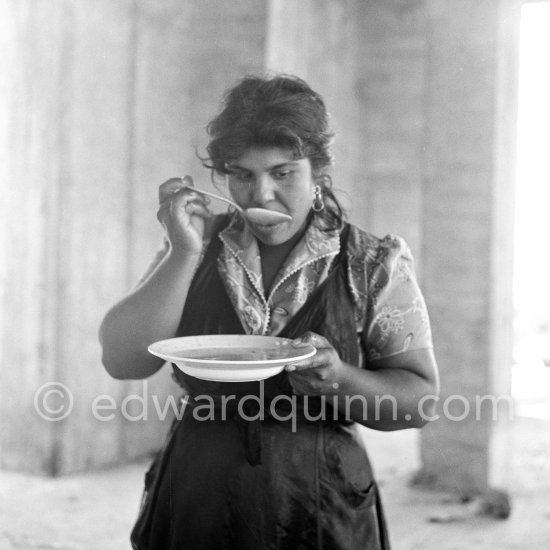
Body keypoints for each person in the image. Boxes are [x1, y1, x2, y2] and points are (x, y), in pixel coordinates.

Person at [99, 74, 439, 550]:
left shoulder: (371, 263)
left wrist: (338, 378)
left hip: (321, 508)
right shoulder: (197, 245)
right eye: (242, 174)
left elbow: (420, 401)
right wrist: (182, 253)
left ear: (318, 171)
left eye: (283, 173)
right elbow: (123, 360)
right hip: (197, 499)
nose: (260, 195)